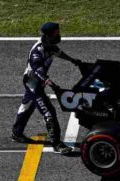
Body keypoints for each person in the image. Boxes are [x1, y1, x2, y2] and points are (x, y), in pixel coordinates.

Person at [11, 22, 82, 154]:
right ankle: (57, 144)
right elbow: (38, 70)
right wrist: (49, 82)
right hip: (33, 84)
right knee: (49, 112)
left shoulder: (50, 45)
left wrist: (73, 60)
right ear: (48, 35)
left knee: (27, 106)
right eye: (56, 33)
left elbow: (58, 53)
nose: (58, 35)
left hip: (37, 82)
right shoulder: (37, 51)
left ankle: (16, 133)